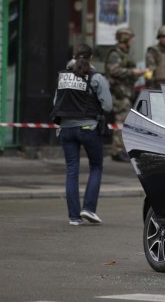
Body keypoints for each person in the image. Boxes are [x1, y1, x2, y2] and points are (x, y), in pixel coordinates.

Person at [50, 44, 112, 226]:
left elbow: (56, 102)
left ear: (74, 57)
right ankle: (89, 209)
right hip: (89, 128)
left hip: (66, 130)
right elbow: (108, 106)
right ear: (91, 58)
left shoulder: (62, 76)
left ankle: (73, 217)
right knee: (96, 166)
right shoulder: (96, 77)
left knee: (71, 170)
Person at [105, 28, 148, 162]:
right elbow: (114, 70)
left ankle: (120, 149)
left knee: (124, 121)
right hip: (120, 93)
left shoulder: (125, 53)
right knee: (121, 121)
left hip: (127, 92)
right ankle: (117, 151)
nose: (132, 41)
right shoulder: (115, 54)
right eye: (130, 38)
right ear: (124, 39)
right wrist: (132, 72)